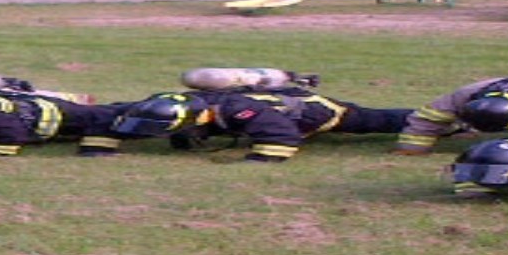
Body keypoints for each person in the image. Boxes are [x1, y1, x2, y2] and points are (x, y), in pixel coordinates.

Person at [104, 88, 413, 162]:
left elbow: (282, 139)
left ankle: (441, 123)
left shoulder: (241, 111)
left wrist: (254, 160)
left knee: (379, 120)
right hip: (269, 107)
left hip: (318, 113)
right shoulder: (178, 102)